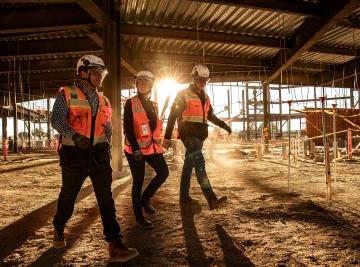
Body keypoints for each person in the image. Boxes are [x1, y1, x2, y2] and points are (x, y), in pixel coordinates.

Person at [51, 55, 138, 263]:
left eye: (102, 73)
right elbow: (56, 119)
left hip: (99, 156)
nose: (100, 77)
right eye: (96, 72)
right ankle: (59, 226)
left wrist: (109, 137)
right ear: (83, 72)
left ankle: (115, 244)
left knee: (106, 200)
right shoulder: (67, 93)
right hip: (74, 156)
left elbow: (106, 125)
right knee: (68, 197)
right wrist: (74, 135)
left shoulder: (103, 99)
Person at [163, 64, 232, 210]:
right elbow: (172, 115)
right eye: (200, 79)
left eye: (205, 80)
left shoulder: (205, 97)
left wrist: (223, 125)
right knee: (200, 164)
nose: (202, 82)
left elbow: (210, 115)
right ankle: (211, 199)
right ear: (193, 77)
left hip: (199, 136)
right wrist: (167, 137)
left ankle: (184, 197)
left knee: (189, 166)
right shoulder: (183, 94)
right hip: (188, 135)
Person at [123, 70, 169, 229]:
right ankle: (139, 216)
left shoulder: (154, 105)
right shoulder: (130, 102)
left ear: (151, 86)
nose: (142, 85)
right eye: (139, 82)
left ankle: (145, 198)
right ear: (136, 85)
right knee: (138, 181)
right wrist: (135, 149)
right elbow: (128, 127)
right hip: (134, 149)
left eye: (146, 82)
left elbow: (153, 127)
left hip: (150, 146)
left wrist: (161, 141)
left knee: (164, 172)